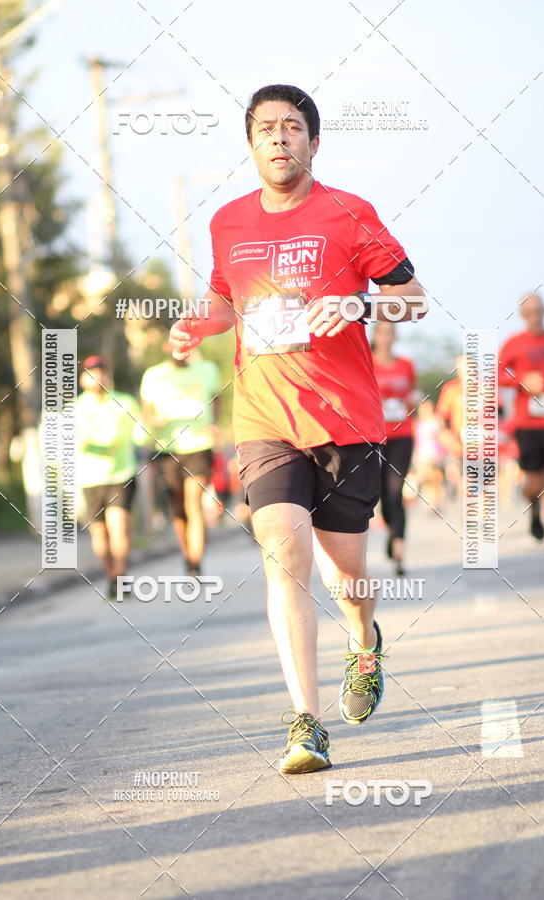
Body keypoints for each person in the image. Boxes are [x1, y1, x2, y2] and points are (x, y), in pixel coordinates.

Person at [168, 84, 426, 774]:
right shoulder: (228, 222)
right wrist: (196, 326)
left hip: (345, 421)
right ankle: (306, 723)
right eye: (266, 129)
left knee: (348, 575)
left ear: (314, 142)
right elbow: (224, 302)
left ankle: (364, 641)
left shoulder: (349, 212)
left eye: (291, 127)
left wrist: (358, 303)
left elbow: (414, 299)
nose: (279, 137)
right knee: (284, 552)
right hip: (264, 419)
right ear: (251, 145)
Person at [499, 293, 544, 561]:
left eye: (539, 310)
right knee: (534, 484)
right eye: (530, 312)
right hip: (527, 424)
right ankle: (535, 505)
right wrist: (521, 380)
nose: (535, 316)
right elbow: (496, 374)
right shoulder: (514, 343)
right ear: (522, 315)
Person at [140, 347, 222, 575]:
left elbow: (217, 398)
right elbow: (147, 414)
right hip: (167, 447)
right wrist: (156, 421)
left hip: (199, 445)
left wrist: (214, 424)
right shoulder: (154, 375)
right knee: (178, 507)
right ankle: (188, 554)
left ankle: (195, 561)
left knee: (193, 502)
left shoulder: (207, 369)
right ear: (166, 347)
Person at [76, 356, 144, 600]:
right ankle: (112, 576)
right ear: (83, 379)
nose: (98, 377)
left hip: (121, 474)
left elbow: (140, 434)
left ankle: (120, 576)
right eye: (91, 372)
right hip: (90, 478)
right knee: (99, 535)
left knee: (120, 528)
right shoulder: (75, 409)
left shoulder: (124, 403)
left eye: (102, 371)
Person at [370, 322, 418, 575]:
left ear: (395, 337)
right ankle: (391, 530)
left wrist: (412, 403)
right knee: (381, 493)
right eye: (382, 332)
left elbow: (413, 395)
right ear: (375, 336)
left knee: (396, 491)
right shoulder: (366, 362)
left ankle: (399, 553)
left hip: (402, 436)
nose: (386, 337)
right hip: (374, 437)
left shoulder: (406, 365)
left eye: (390, 333)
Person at [435, 356, 466, 499]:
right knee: (459, 479)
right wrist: (446, 435)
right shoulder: (451, 389)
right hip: (457, 445)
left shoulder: (485, 388)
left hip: (481, 446)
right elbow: (442, 416)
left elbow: (498, 413)